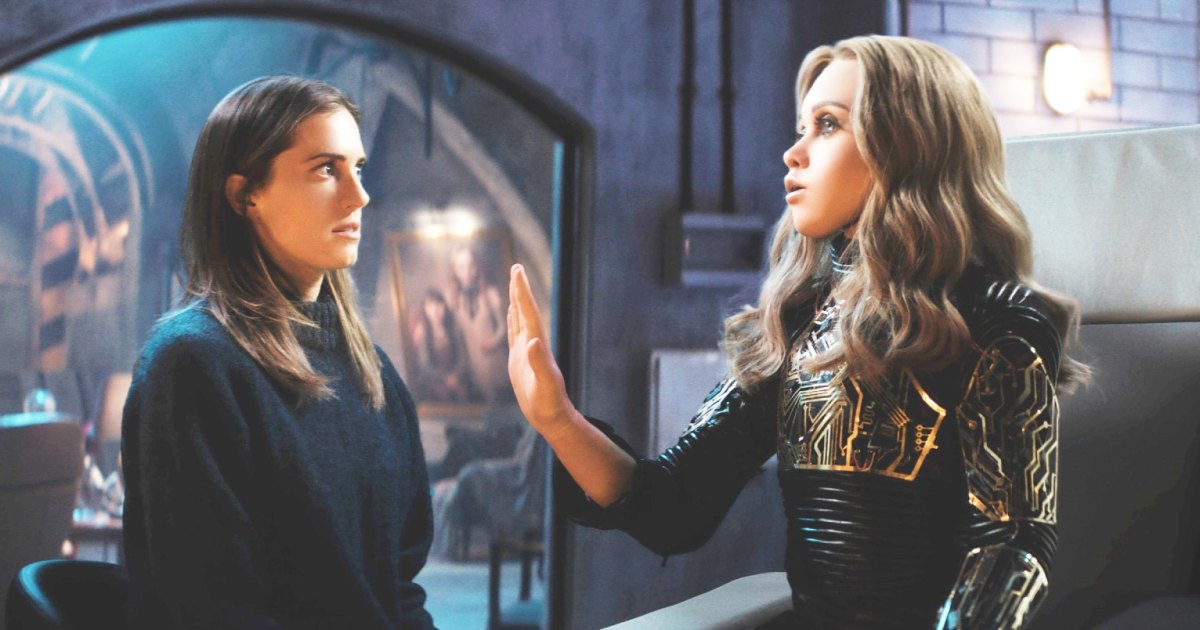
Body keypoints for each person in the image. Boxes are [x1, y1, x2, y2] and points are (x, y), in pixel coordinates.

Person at [507, 35, 1087, 629]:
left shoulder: (998, 320)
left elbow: (1013, 548)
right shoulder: (798, 324)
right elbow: (673, 508)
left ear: (907, 143)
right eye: (800, 127)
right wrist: (559, 421)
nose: (793, 153)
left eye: (827, 124)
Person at [121, 76, 435, 629]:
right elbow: (212, 611)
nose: (359, 196)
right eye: (326, 169)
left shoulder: (374, 373)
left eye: (358, 168)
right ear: (246, 195)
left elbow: (400, 591)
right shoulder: (193, 364)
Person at [448, 244, 508, 401]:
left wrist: (494, 341)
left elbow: (504, 326)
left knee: (502, 400)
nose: (466, 272)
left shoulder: (490, 294)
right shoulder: (455, 300)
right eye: (461, 267)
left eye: (470, 265)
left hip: (496, 362)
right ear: (455, 270)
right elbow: (457, 338)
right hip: (475, 367)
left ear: (476, 267)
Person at [411, 287, 477, 402]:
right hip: (434, 383)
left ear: (444, 307)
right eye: (430, 305)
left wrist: (456, 376)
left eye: (439, 304)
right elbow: (425, 365)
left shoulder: (455, 329)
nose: (435, 310)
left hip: (458, 380)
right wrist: (444, 379)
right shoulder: (422, 333)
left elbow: (464, 359)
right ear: (425, 309)